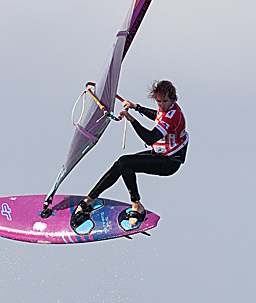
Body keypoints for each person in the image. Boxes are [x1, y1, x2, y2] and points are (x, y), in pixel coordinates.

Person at [71, 79, 188, 230]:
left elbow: (150, 138)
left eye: (165, 101)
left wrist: (132, 120)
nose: (161, 105)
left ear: (173, 99)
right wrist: (136, 107)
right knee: (120, 165)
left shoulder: (172, 116)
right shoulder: (166, 110)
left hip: (169, 162)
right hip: (161, 155)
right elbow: (157, 115)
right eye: (158, 101)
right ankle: (90, 199)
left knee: (125, 163)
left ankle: (136, 204)